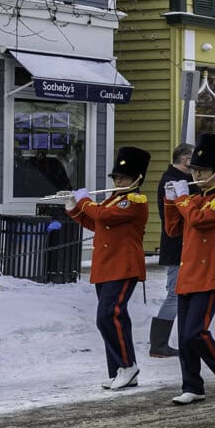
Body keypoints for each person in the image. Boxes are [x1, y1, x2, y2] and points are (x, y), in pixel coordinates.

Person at [162, 134, 215, 406]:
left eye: (203, 171)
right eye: (194, 170)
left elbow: (198, 220)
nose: (197, 175)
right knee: (185, 337)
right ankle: (192, 385)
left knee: (196, 332)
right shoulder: (192, 200)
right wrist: (171, 200)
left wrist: (182, 200)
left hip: (207, 276)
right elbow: (173, 229)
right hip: (188, 274)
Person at [66, 146, 152, 390]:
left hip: (124, 266)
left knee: (107, 317)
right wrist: (73, 208)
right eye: (116, 177)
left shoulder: (134, 201)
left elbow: (103, 216)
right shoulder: (114, 200)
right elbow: (97, 223)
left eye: (123, 178)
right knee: (116, 319)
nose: (117, 181)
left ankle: (127, 365)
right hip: (106, 266)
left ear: (137, 179)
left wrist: (83, 200)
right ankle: (120, 370)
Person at [149, 144, 194, 359]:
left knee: (180, 294)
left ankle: (167, 341)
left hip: (179, 244)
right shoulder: (173, 180)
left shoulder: (177, 178)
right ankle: (158, 343)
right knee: (175, 294)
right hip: (176, 244)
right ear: (186, 160)